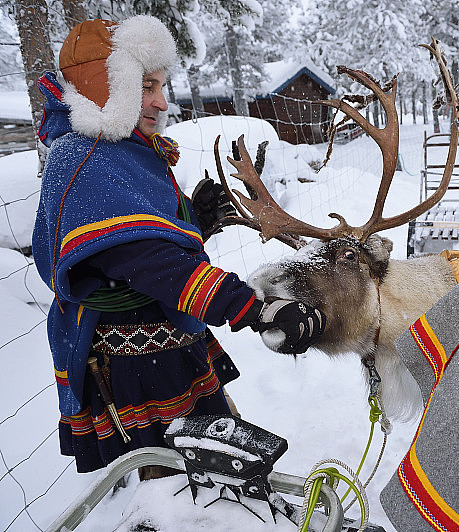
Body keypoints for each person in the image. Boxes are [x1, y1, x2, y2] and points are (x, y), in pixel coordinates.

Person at [32, 16, 325, 476]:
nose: (160, 102)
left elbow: (141, 241)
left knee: (211, 468)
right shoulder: (84, 158)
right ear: (110, 87)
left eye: (161, 86)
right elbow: (148, 260)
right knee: (173, 481)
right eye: (145, 86)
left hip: (166, 343)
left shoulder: (125, 147)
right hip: (137, 370)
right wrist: (254, 309)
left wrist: (195, 222)